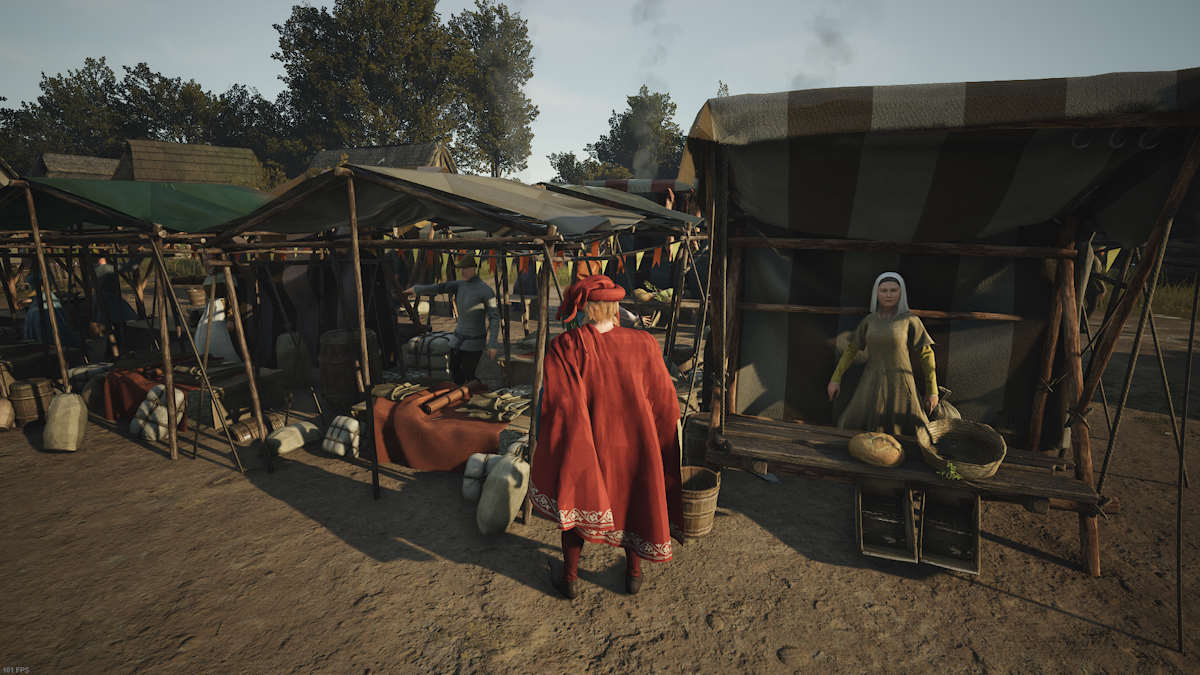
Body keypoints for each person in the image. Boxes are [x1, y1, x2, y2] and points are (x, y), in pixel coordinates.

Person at [531, 274, 682, 599]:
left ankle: (570, 578)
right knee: (634, 502)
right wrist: (661, 438)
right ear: (615, 307)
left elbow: (557, 403)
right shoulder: (643, 343)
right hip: (634, 444)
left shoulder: (565, 346)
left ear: (585, 308)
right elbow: (665, 399)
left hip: (588, 445)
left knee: (575, 506)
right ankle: (633, 573)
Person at [826, 272, 938, 436]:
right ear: (876, 293)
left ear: (901, 293)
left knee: (913, 433)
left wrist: (932, 390)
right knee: (854, 427)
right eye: (884, 290)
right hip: (871, 380)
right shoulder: (869, 321)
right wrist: (835, 379)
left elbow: (926, 354)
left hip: (901, 383)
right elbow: (851, 352)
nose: (888, 295)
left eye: (893, 290)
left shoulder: (910, 320)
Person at [404, 255, 500, 385]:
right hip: (457, 339)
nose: (462, 272)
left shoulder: (486, 291)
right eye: (461, 269)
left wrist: (493, 343)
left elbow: (494, 318)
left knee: (469, 374)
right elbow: (439, 288)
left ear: (473, 269)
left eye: (465, 268)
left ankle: (473, 396)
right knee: (454, 371)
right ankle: (459, 398)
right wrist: (416, 289)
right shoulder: (459, 285)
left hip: (474, 341)